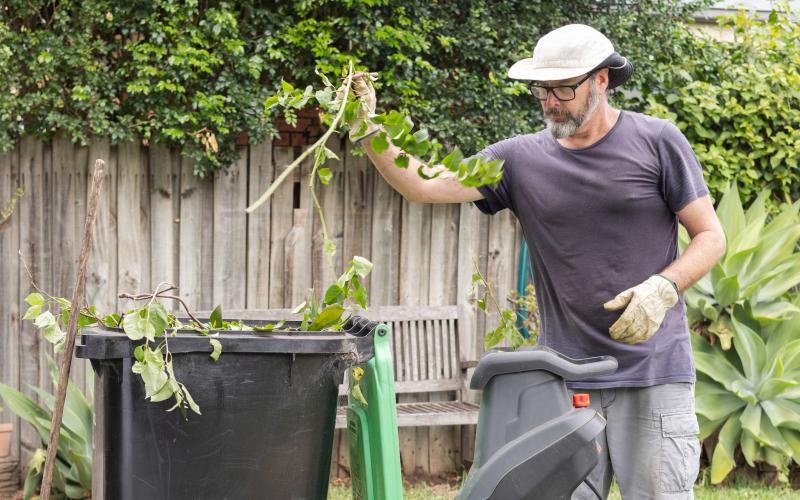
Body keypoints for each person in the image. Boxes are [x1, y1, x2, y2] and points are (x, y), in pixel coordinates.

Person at [347, 23, 726, 500]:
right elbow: (424, 183)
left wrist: (663, 288)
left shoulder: (657, 141)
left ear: (601, 79)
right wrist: (368, 130)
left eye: (563, 88)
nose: (550, 101)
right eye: (541, 89)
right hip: (564, 382)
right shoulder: (518, 159)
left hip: (652, 375)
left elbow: (710, 236)